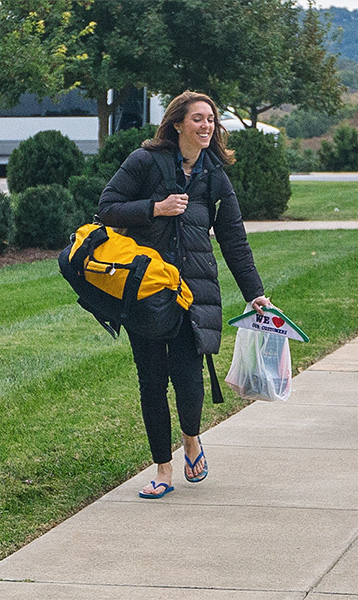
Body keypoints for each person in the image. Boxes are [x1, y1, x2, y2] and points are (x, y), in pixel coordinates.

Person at [97, 91, 273, 499]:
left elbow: (233, 239)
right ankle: (162, 468)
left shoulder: (214, 174)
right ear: (178, 123)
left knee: (189, 378)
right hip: (144, 291)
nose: (206, 126)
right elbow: (107, 207)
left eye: (211, 119)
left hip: (192, 291)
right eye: (198, 119)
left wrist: (255, 294)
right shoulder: (145, 162)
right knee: (152, 381)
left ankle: (191, 438)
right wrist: (155, 208)